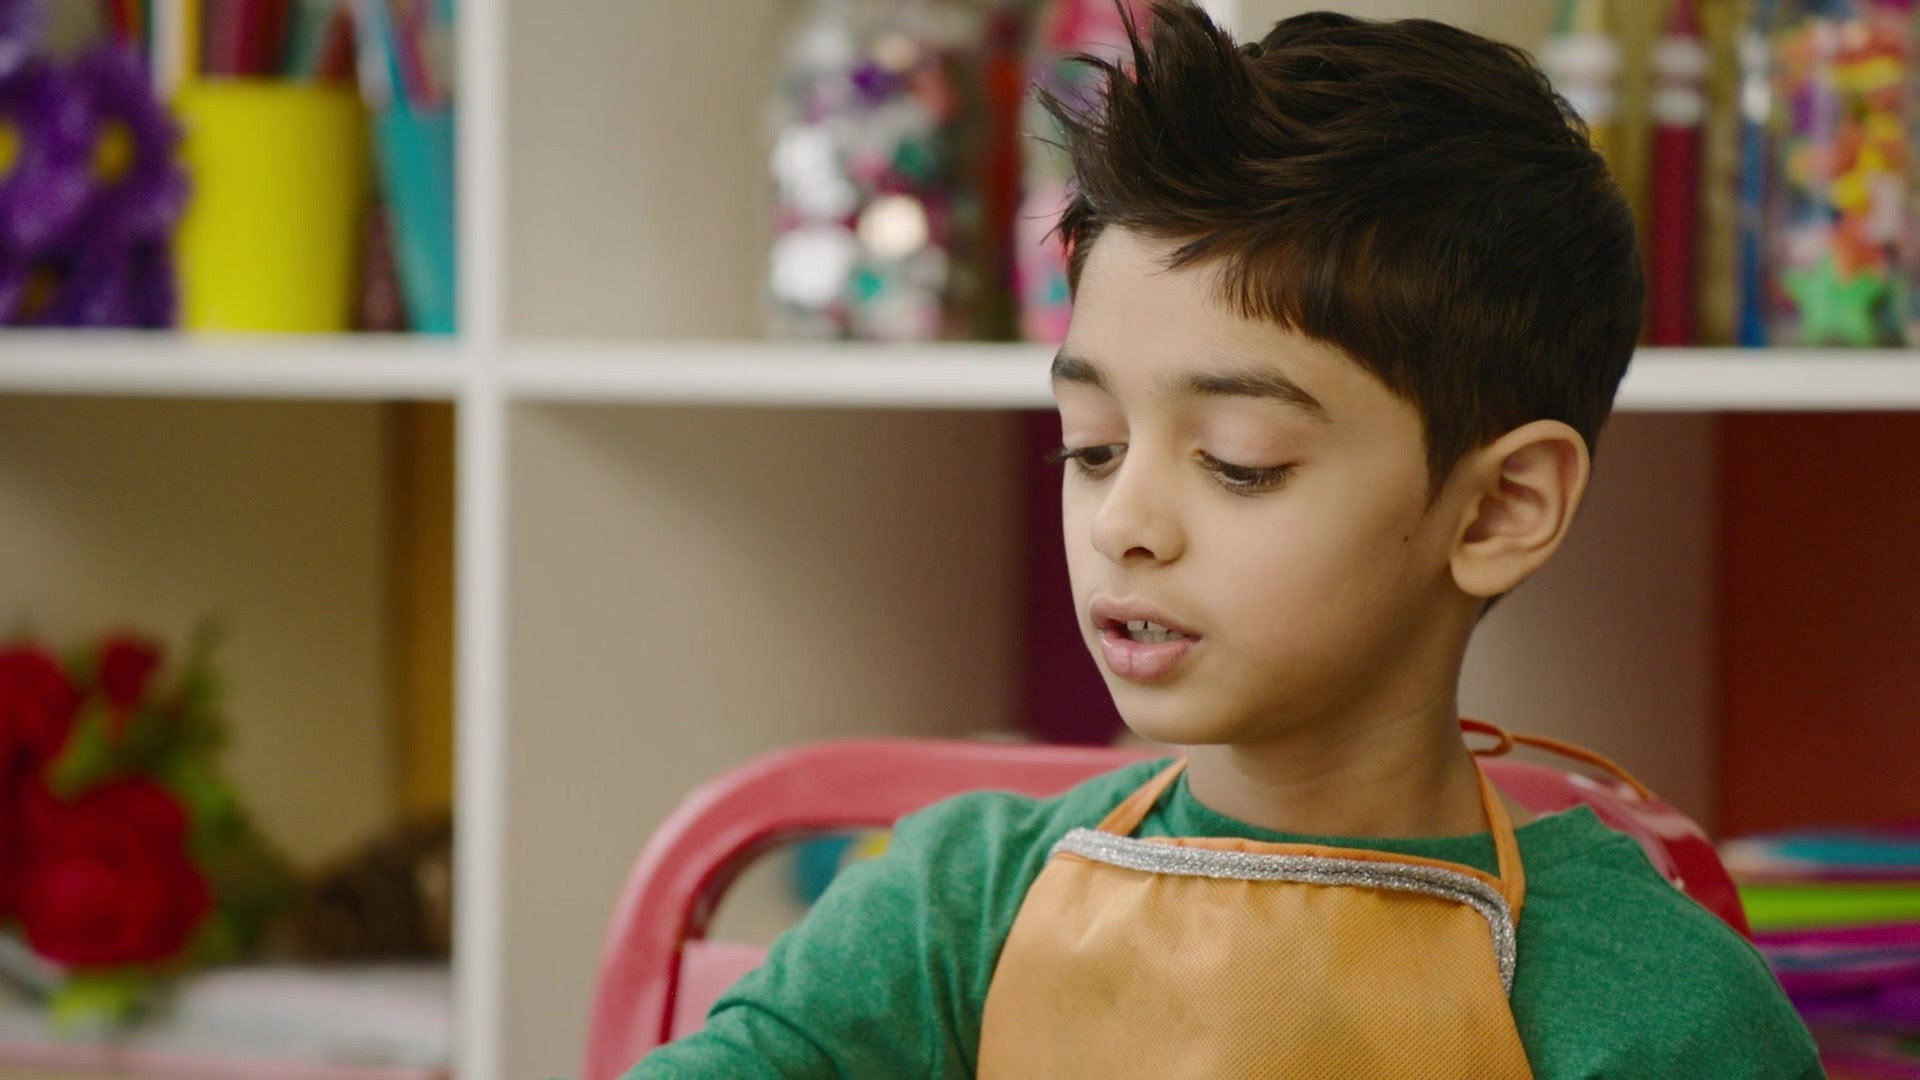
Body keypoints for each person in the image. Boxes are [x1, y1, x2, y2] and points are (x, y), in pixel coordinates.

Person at [628, 3, 1821, 1076]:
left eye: (1240, 463)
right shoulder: (954, 908)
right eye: (1093, 447)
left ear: (1500, 509)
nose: (1125, 524)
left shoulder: (1657, 1012)